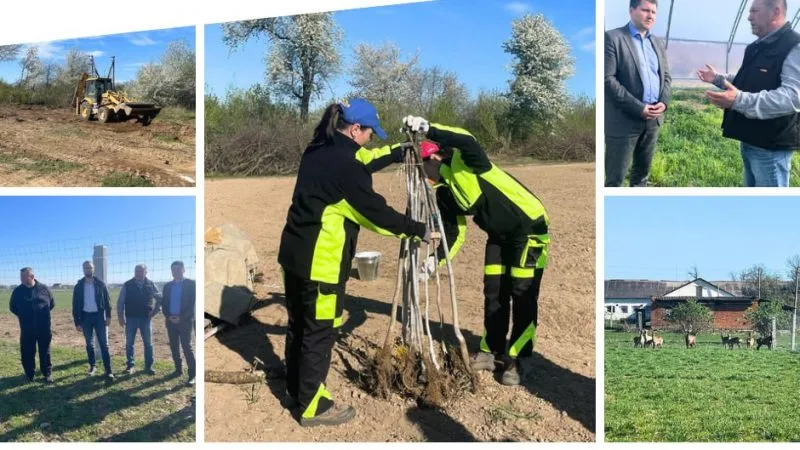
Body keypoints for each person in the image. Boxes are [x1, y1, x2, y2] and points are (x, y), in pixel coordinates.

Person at [277, 98, 429, 427]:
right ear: (355, 129)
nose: (373, 137)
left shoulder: (319, 147)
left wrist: (398, 152)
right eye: (370, 132)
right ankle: (312, 406)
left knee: (299, 326)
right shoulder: (345, 169)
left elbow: (362, 161)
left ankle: (294, 387)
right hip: (322, 265)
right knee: (319, 333)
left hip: (292, 256)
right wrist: (419, 230)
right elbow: (375, 213)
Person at [405, 116, 550, 387]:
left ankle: (520, 358)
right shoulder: (443, 193)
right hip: (498, 236)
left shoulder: (466, 161)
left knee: (522, 293)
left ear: (434, 158)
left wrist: (430, 129)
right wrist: (432, 263)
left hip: (528, 228)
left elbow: (466, 138)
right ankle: (490, 350)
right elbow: (454, 234)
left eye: (421, 168)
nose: (422, 177)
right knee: (493, 291)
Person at [698, 0, 800, 187]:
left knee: (769, 211)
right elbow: (750, 79)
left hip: (771, 147)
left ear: (775, 12)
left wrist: (738, 100)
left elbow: (792, 97)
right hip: (751, 139)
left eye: (754, 11)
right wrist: (718, 79)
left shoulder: (794, 46)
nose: (749, 17)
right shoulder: (761, 45)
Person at [605, 0, 671, 187]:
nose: (650, 16)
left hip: (653, 121)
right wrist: (638, 108)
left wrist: (664, 103)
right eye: (645, 10)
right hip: (623, 121)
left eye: (654, 12)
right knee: (615, 179)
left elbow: (666, 76)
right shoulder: (613, 38)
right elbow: (607, 80)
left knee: (642, 176)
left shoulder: (658, 42)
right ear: (631, 10)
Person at [9, 267, 55, 383]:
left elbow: (51, 304)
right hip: (27, 328)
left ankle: (47, 374)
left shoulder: (44, 289)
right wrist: (24, 316)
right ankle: (29, 374)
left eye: (24, 277)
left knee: (45, 352)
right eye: (21, 277)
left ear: (32, 276)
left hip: (44, 328)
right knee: (27, 352)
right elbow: (12, 307)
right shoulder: (18, 291)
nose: (22, 279)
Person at [72, 261, 115, 380]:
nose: (88, 270)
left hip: (99, 317)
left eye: (90, 268)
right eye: (86, 268)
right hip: (85, 317)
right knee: (89, 344)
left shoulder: (100, 284)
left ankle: (108, 370)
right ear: (83, 270)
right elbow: (75, 305)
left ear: (93, 269)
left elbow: (107, 301)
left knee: (104, 344)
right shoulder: (79, 285)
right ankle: (92, 366)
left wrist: (109, 316)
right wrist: (77, 322)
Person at [117, 264, 162, 375]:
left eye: (141, 271)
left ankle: (148, 366)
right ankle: (130, 366)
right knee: (129, 343)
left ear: (146, 272)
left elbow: (160, 299)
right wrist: (120, 316)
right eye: (137, 271)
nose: (138, 273)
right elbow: (120, 301)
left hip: (146, 319)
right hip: (130, 318)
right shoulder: (127, 285)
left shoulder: (151, 284)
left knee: (148, 343)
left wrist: (155, 311)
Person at [162, 260, 196, 385]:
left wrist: (182, 317)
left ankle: (193, 374)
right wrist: (168, 316)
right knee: (174, 346)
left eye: (178, 269)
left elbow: (192, 304)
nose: (175, 272)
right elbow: (164, 303)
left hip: (185, 322)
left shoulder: (191, 284)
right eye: (173, 270)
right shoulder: (167, 286)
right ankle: (178, 369)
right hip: (170, 321)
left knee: (187, 347)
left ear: (183, 270)